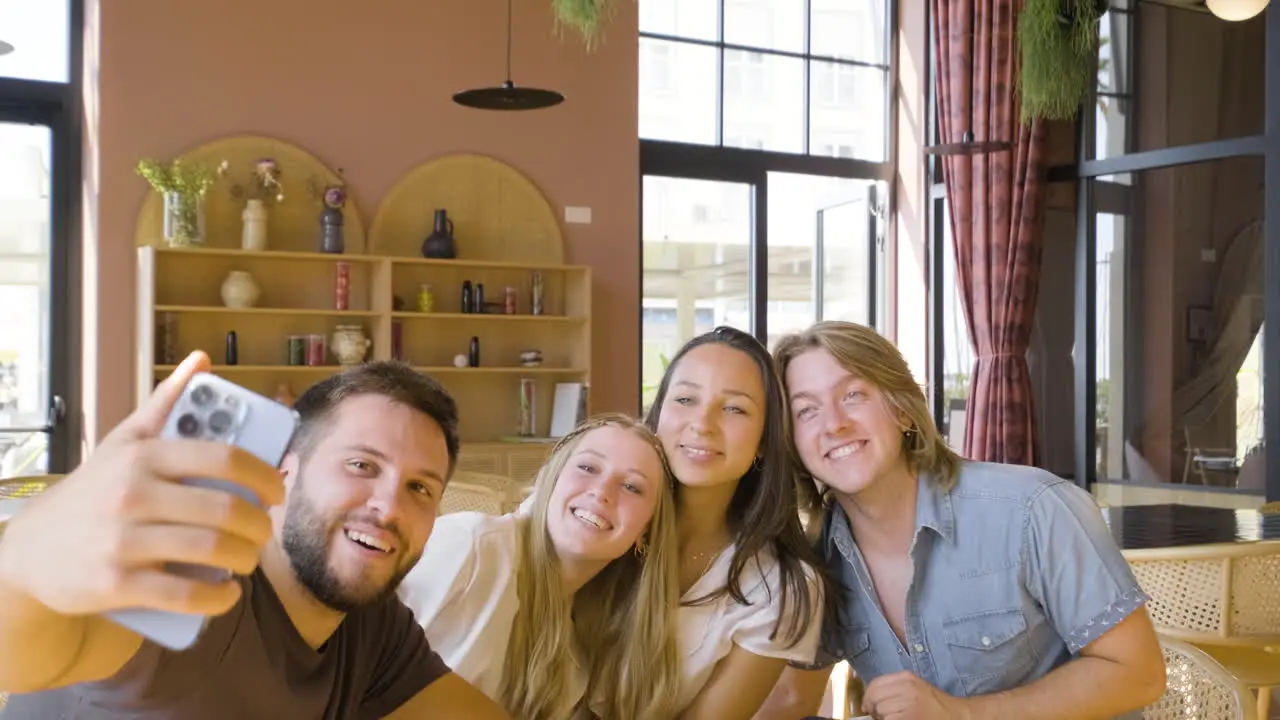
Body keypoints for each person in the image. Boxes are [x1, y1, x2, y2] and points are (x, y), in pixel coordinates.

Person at [0, 352, 510, 719]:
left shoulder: (372, 627)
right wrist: (22, 562)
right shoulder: (187, 573)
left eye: (420, 487)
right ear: (285, 469)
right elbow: (32, 649)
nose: (390, 505)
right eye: (361, 464)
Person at [762, 321, 1166, 720]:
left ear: (902, 411)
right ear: (793, 445)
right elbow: (792, 700)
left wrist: (963, 714)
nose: (834, 424)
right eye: (807, 411)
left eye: (853, 395)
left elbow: (1137, 674)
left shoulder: (1033, 509)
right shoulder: (817, 565)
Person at [398, 413, 682, 720]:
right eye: (587, 467)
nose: (602, 491)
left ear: (646, 530)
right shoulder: (472, 546)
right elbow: (352, 658)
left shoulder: (578, 658)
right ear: (550, 476)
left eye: (631, 486)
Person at [644, 326, 827, 718]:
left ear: (764, 439)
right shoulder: (596, 508)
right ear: (659, 415)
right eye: (685, 399)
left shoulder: (780, 587)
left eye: (734, 408)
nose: (703, 423)